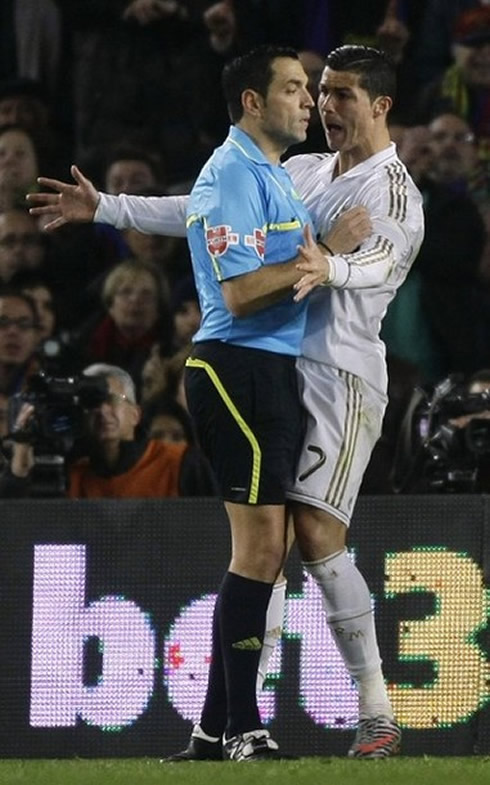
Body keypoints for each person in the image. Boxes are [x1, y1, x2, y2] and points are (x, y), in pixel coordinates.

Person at [26, 45, 420, 760]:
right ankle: (227, 724)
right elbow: (208, 211)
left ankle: (376, 711)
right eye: (318, 91)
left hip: (339, 379)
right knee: (263, 550)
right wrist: (112, 207)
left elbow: (381, 261)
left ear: (381, 105)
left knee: (311, 537)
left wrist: (327, 261)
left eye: (342, 95)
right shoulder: (297, 169)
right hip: (271, 367)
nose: (325, 106)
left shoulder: (392, 191)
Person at [0, 362, 218, 499]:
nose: (103, 410)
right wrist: (21, 451)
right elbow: (19, 529)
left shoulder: (182, 463)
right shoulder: (71, 471)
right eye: (91, 402)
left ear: (136, 414)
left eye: (111, 400)